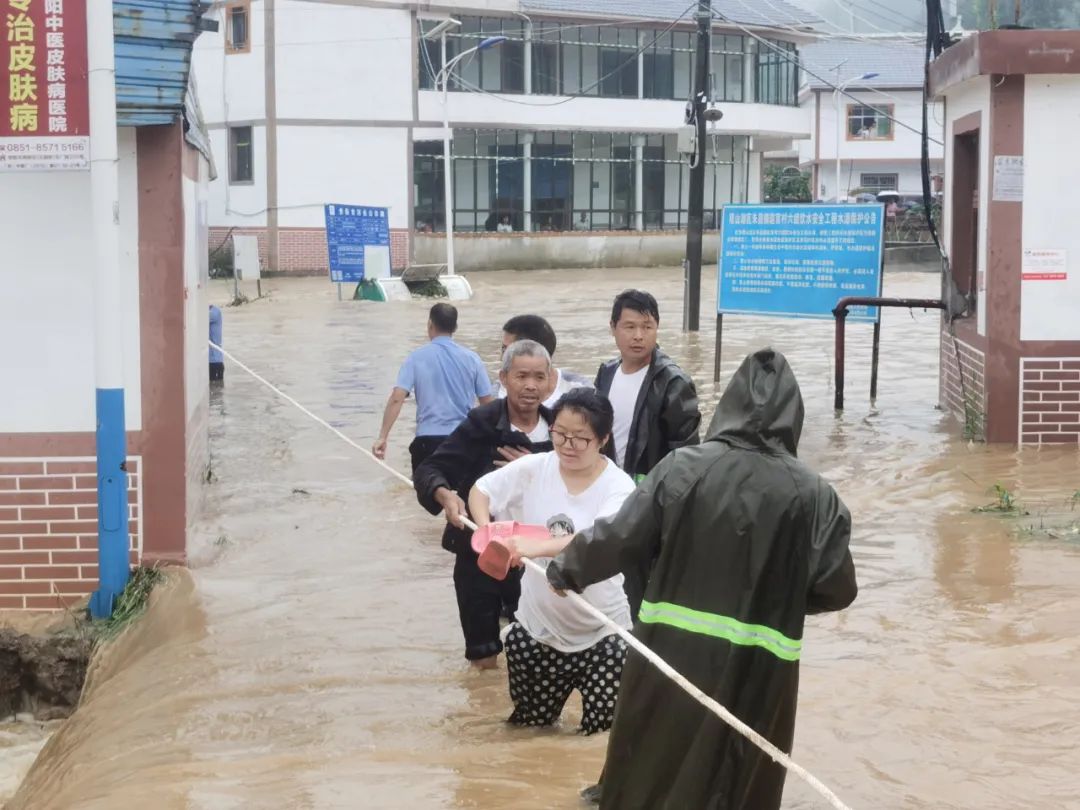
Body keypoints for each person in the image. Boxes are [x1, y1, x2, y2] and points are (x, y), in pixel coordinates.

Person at [547, 349, 859, 809]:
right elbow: (837, 587)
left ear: (729, 404)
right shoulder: (815, 495)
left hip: (670, 649)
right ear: (793, 415)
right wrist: (778, 596)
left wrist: (567, 568)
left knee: (650, 760)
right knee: (739, 770)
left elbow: (621, 536)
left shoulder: (682, 467)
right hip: (762, 663)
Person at [468, 389, 634, 734]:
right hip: (539, 629)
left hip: (603, 631)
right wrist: (488, 531)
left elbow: (595, 538)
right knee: (530, 732)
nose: (567, 445)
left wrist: (534, 547)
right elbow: (481, 490)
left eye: (580, 438)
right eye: (560, 434)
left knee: (601, 737)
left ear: (603, 439)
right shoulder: (534, 468)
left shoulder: (619, 486)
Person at [414, 340, 555, 669]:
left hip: (535, 556)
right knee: (482, 653)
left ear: (550, 381)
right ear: (503, 379)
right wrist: (445, 495)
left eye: (539, 377)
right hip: (479, 551)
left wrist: (532, 466)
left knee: (538, 651)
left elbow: (589, 474)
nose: (530, 386)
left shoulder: (562, 428)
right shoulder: (482, 423)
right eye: (521, 376)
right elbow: (430, 469)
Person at [596, 290, 701, 484]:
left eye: (647, 327)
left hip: (649, 491)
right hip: (607, 485)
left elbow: (686, 456)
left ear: (657, 328)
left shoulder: (673, 383)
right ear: (613, 327)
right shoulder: (606, 373)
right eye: (630, 327)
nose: (638, 336)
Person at [373, 303, 492, 474]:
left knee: (428, 489)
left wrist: (383, 437)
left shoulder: (415, 358)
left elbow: (397, 398)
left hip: (427, 442)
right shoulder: (473, 359)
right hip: (463, 439)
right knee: (461, 491)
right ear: (455, 327)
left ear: (430, 324)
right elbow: (487, 403)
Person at [493, 315, 592, 408]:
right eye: (521, 377)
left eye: (506, 350)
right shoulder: (496, 393)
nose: (502, 358)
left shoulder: (580, 389)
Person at [209, 304, 224, 382]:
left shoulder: (214, 313)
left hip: (214, 362)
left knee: (215, 387)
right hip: (213, 362)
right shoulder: (214, 311)